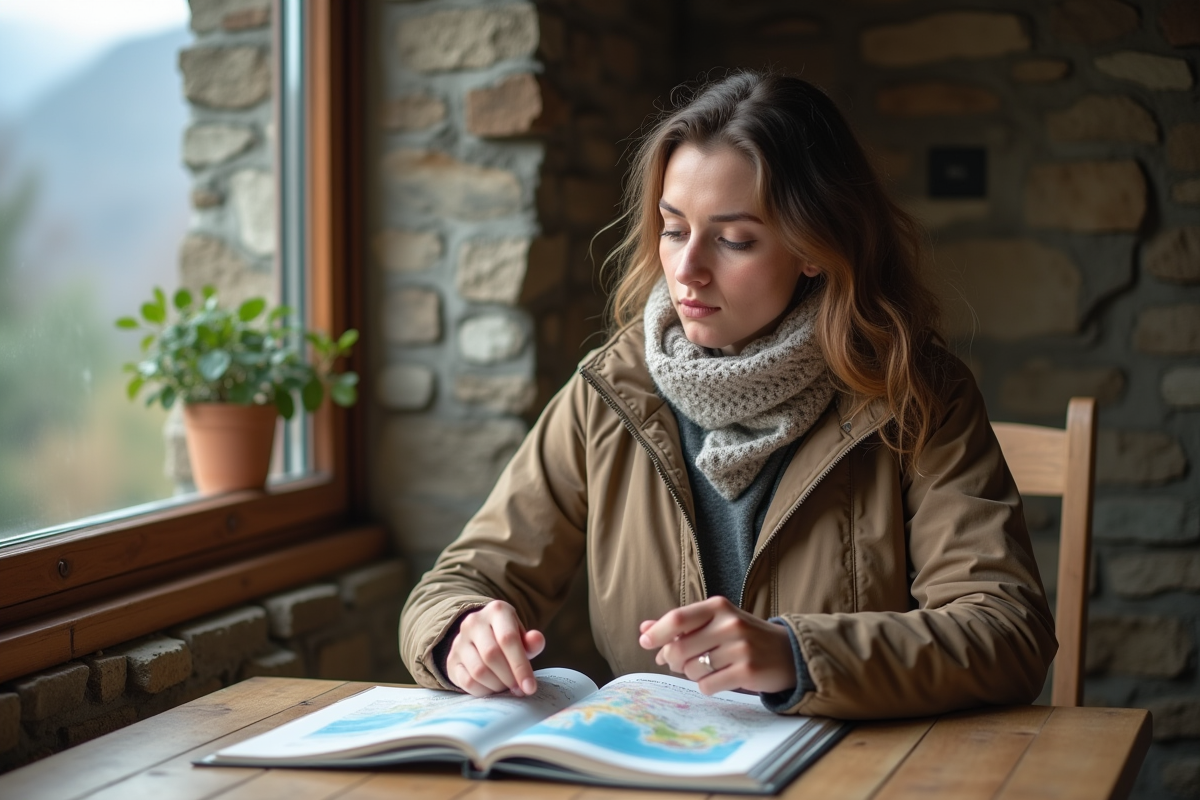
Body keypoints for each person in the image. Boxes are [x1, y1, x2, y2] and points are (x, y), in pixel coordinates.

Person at [400, 71, 1057, 720]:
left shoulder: (918, 397)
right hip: (658, 770)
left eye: (734, 238)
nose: (687, 269)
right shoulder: (608, 392)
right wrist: (463, 632)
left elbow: (1007, 630)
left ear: (813, 248)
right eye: (673, 227)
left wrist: (797, 655)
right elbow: (460, 581)